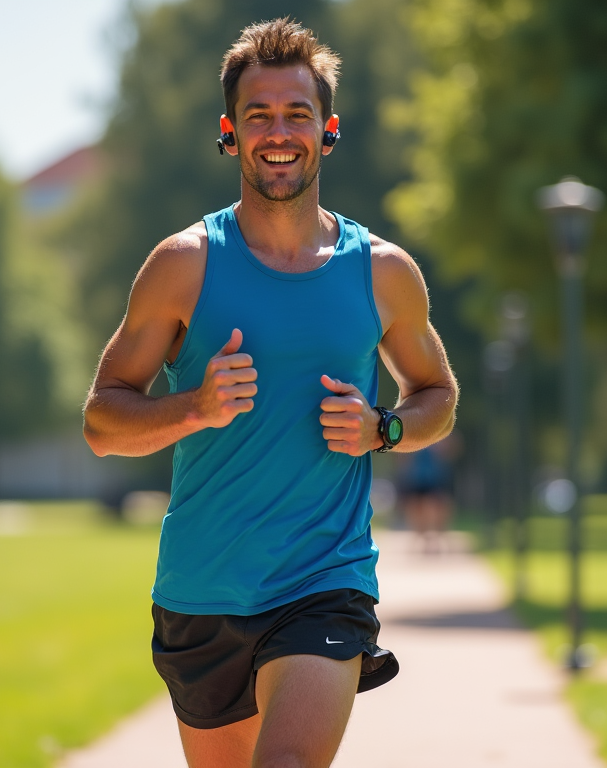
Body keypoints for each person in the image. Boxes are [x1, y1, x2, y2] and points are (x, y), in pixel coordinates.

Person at [83, 18, 458, 768]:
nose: (278, 132)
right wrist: (192, 407)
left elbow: (438, 396)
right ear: (230, 132)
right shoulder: (183, 265)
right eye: (258, 116)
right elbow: (102, 419)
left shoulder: (383, 272)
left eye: (297, 115)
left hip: (325, 580)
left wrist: (383, 429)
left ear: (328, 131)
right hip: (202, 589)